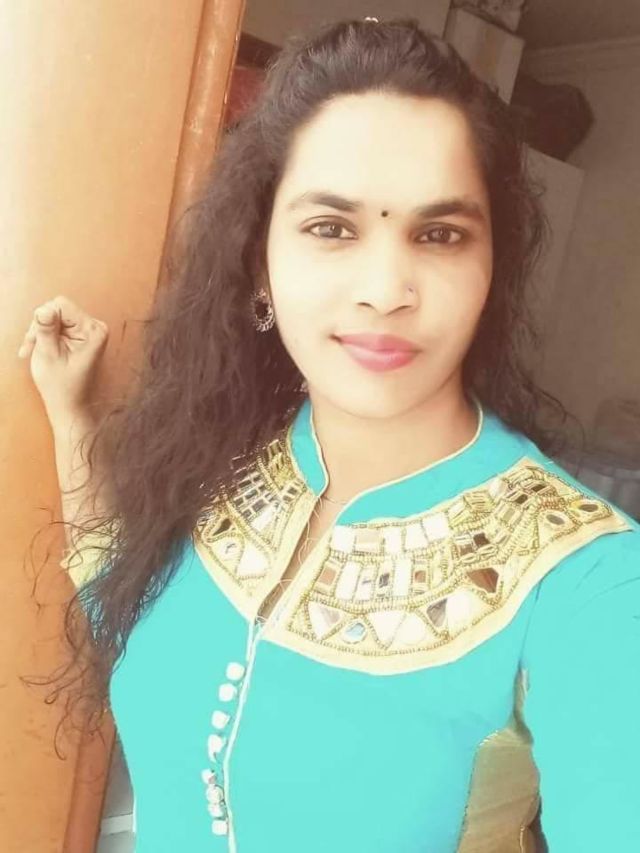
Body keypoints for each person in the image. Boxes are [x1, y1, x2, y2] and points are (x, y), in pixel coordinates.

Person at [18, 17, 640, 853]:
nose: (385, 289)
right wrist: (72, 418)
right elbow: (121, 608)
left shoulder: (589, 582)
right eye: (332, 228)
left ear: (492, 269)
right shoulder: (222, 460)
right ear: (259, 260)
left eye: (439, 234)